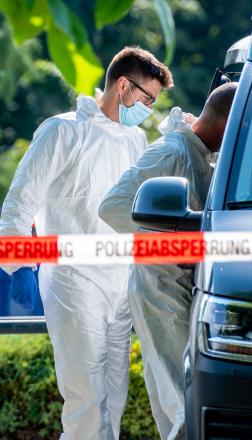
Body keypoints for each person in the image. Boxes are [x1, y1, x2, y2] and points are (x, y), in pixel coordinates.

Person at [0, 47, 173, 440]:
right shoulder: (63, 130)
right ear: (123, 85)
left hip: (120, 282)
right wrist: (19, 263)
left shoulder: (133, 139)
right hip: (73, 280)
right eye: (147, 99)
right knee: (85, 399)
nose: (148, 108)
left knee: (114, 395)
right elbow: (21, 198)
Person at [98, 82, 239, 440]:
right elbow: (112, 206)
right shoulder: (171, 152)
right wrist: (172, 245)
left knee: (173, 401)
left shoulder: (202, 155)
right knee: (183, 398)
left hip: (180, 289)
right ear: (227, 122)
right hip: (160, 289)